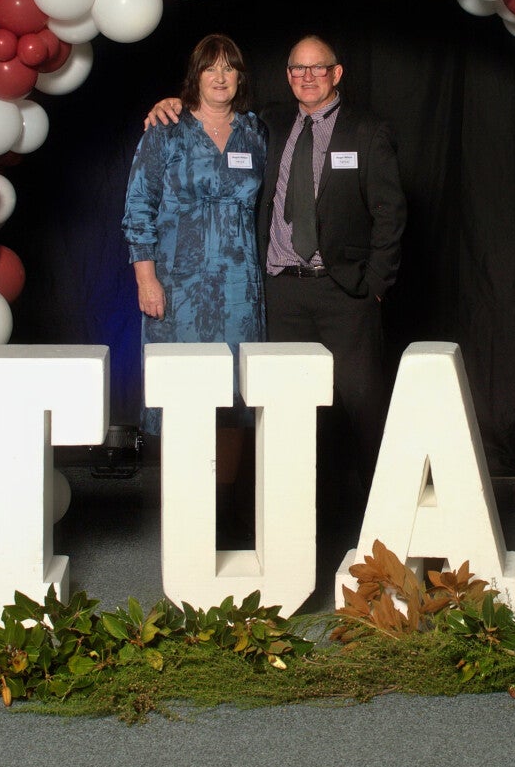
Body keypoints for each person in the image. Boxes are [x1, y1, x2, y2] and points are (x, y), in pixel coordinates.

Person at [149, 35, 406, 521]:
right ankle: (293, 520)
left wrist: (375, 284)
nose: (308, 77)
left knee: (363, 408)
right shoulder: (267, 124)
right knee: (286, 412)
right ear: (287, 76)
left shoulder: (367, 130)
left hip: (344, 291)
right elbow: (213, 109)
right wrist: (172, 104)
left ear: (336, 73)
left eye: (317, 68)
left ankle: (389, 519)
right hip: (280, 293)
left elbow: (390, 213)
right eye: (297, 69)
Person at [122, 34, 267, 444]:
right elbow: (138, 208)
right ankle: (185, 483)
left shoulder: (256, 132)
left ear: (240, 77)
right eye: (210, 68)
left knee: (236, 394)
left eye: (229, 68)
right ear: (196, 76)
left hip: (240, 289)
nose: (220, 77)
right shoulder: (166, 130)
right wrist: (146, 280)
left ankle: (227, 487)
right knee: (182, 390)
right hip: (177, 286)